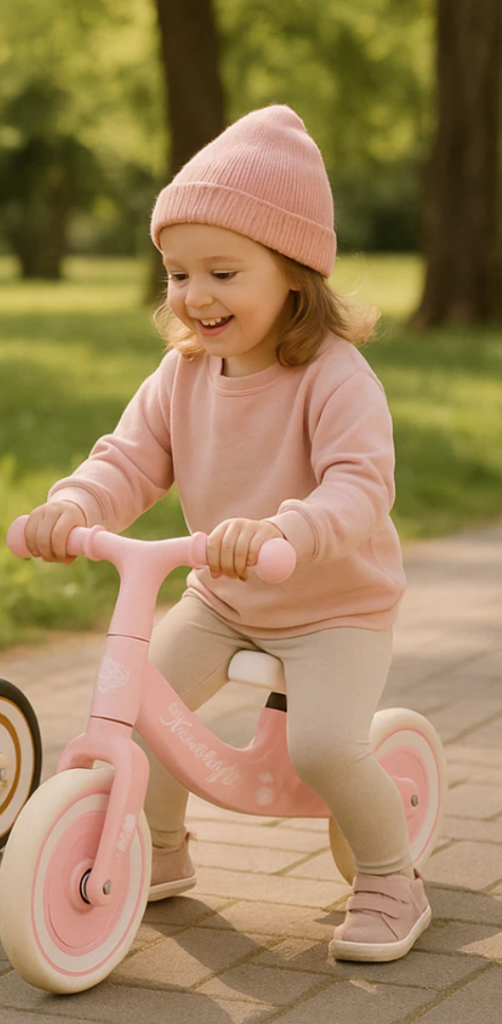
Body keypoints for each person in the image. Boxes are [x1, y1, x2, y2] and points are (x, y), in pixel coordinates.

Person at [22, 105, 428, 963]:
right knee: (141, 707)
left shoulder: (335, 378)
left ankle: (393, 876)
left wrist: (287, 528)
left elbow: (361, 487)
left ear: (294, 275)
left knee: (324, 747)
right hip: (226, 597)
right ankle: (161, 849)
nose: (195, 295)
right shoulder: (183, 373)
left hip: (333, 606)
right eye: (177, 273)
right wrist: (76, 505)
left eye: (223, 272)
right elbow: (129, 459)